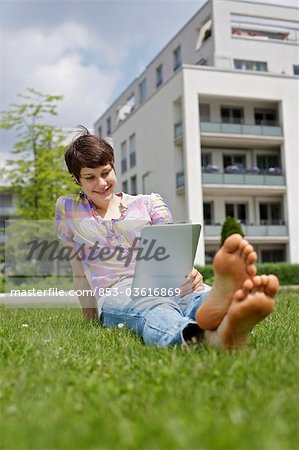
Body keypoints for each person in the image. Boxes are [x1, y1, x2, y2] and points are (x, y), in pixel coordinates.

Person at [55, 127, 279, 350]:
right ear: (77, 180)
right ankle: (209, 335)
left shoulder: (149, 203)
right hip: (117, 291)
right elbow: (78, 271)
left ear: (113, 166)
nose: (102, 183)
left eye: (106, 172)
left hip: (166, 282)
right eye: (90, 178)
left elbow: (172, 250)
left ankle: (222, 309)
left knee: (195, 296)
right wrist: (91, 318)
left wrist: (189, 274)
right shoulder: (69, 210)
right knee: (154, 308)